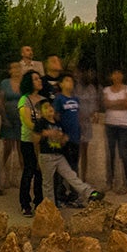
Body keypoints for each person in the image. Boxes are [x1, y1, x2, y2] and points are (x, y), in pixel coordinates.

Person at [32, 99, 105, 208]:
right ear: (41, 112)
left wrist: (63, 139)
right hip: (46, 156)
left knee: (71, 176)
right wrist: (47, 133)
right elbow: (35, 139)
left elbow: (62, 140)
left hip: (59, 155)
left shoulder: (57, 123)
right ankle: (50, 207)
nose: (49, 109)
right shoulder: (41, 123)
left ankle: (90, 193)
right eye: (45, 108)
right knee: (48, 184)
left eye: (50, 106)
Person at [102, 68, 127, 194]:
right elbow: (106, 104)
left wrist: (114, 103)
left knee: (123, 153)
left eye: (118, 73)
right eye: (114, 73)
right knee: (110, 154)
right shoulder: (106, 90)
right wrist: (120, 102)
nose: (116, 76)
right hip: (110, 124)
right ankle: (110, 181)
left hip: (124, 125)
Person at [17, 70, 45, 217]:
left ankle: (39, 201)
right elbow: (27, 122)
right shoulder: (24, 100)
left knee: (40, 172)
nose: (39, 81)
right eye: (35, 79)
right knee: (29, 171)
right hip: (28, 140)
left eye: (39, 78)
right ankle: (25, 203)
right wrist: (42, 130)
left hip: (41, 142)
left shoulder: (43, 99)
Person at [53, 72, 83, 202]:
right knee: (62, 167)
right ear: (60, 84)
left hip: (75, 138)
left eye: (71, 81)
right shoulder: (59, 99)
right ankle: (59, 193)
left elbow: (77, 117)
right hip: (64, 138)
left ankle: (73, 194)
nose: (69, 83)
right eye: (66, 81)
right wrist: (60, 133)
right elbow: (55, 116)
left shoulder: (76, 100)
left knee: (74, 167)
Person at [0, 61, 24, 188]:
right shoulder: (4, 83)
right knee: (7, 148)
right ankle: (3, 175)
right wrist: (3, 117)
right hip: (8, 117)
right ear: (10, 70)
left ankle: (19, 178)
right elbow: (1, 101)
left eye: (18, 67)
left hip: (21, 119)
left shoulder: (24, 83)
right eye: (14, 67)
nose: (17, 70)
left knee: (21, 149)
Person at [73, 67, 99, 182]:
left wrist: (93, 113)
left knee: (84, 151)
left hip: (86, 123)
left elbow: (93, 103)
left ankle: (83, 176)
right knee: (76, 151)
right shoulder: (75, 87)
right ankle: (74, 176)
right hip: (75, 122)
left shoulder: (91, 88)